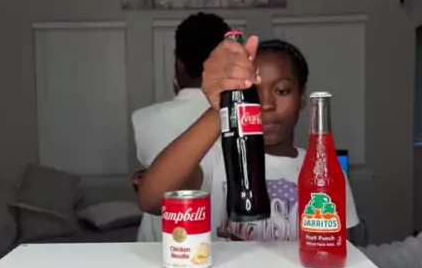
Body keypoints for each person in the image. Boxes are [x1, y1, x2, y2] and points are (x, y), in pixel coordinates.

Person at [137, 34, 358, 240]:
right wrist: (222, 106)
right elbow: (151, 199)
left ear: (301, 97)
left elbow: (343, 252)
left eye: (282, 91)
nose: (267, 105)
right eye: (253, 93)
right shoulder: (216, 162)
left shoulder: (325, 171)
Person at [132, 12, 230, 241]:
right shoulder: (245, 117)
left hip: (160, 246)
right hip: (224, 247)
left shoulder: (146, 119)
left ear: (179, 65)